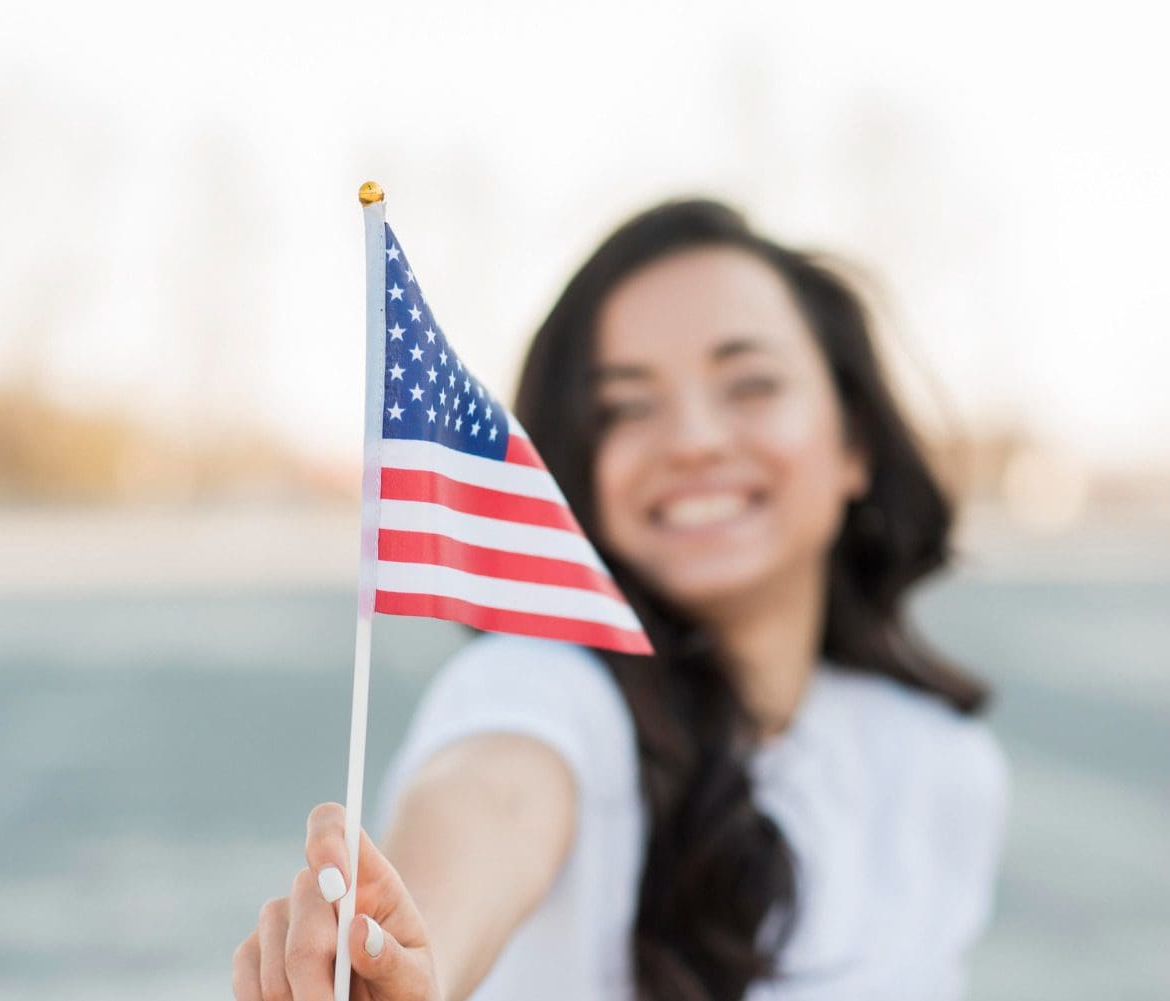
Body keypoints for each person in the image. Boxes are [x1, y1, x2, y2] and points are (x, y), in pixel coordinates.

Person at [231, 199, 1008, 1001]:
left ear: (855, 442)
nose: (694, 439)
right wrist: (404, 951)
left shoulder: (944, 765)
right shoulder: (548, 686)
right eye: (625, 406)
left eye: (751, 384)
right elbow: (495, 792)